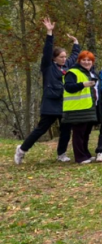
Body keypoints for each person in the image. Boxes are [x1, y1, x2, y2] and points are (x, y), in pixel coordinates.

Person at [14, 17, 80, 165]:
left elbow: (75, 56)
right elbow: (47, 51)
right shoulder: (48, 67)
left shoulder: (66, 67)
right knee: (41, 129)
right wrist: (49, 33)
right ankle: (22, 150)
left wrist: (76, 43)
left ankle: (61, 154)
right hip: (50, 104)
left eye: (65, 57)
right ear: (54, 58)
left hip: (65, 104)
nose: (64, 59)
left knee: (65, 130)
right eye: (61, 57)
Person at [62, 51, 99, 164]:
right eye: (84, 60)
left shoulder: (90, 73)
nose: (87, 62)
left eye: (89, 60)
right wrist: (83, 85)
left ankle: (85, 154)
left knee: (86, 133)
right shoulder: (72, 72)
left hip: (88, 107)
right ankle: (79, 157)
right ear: (79, 61)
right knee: (78, 134)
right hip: (76, 109)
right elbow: (68, 87)